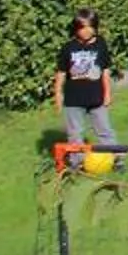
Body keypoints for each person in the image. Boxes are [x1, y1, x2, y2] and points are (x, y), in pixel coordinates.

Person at [53, 9, 118, 150]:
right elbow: (61, 72)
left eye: (90, 26)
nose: (86, 31)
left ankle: (116, 160)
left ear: (95, 27)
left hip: (97, 98)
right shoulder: (68, 48)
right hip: (74, 100)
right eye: (82, 27)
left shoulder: (101, 44)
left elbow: (105, 70)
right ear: (76, 28)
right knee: (75, 134)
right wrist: (58, 94)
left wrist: (107, 93)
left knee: (105, 131)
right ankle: (77, 164)